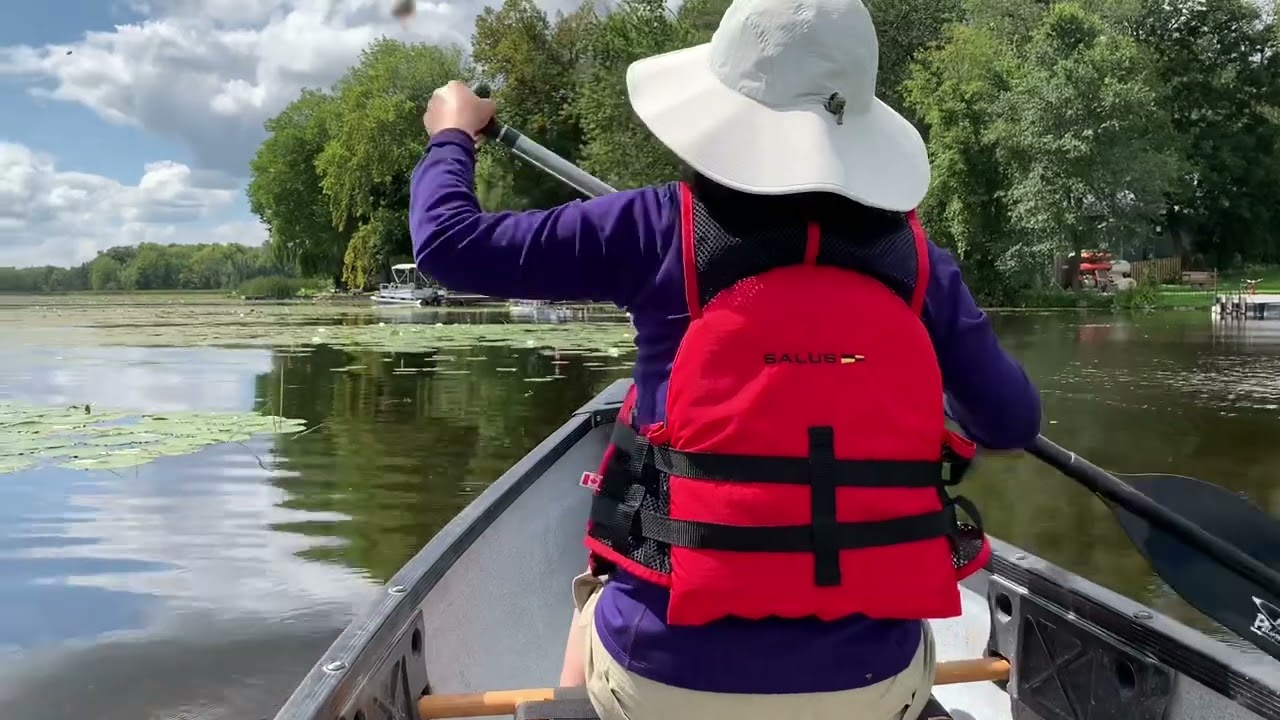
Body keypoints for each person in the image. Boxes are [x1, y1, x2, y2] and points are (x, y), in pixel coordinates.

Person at [410, 0, 1042, 716]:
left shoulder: (654, 228)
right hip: (869, 690)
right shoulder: (921, 266)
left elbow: (447, 244)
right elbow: (1012, 421)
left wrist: (452, 133)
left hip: (663, 686)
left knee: (593, 596)